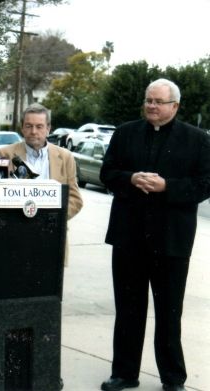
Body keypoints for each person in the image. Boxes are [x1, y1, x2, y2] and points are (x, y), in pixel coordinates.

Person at [99, 78, 210, 391]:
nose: (152, 106)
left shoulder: (197, 139)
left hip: (171, 241)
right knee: (128, 310)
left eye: (159, 102)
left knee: (169, 313)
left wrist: (167, 187)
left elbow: (204, 185)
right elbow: (107, 173)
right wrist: (131, 178)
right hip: (129, 238)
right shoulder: (124, 133)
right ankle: (124, 373)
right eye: (149, 100)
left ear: (175, 106)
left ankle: (173, 378)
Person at [0, 103, 83, 220]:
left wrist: (52, 218)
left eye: (39, 126)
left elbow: (75, 199)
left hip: (52, 230)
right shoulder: (4, 154)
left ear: (48, 129)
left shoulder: (65, 158)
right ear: (22, 128)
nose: (33, 131)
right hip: (17, 228)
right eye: (28, 126)